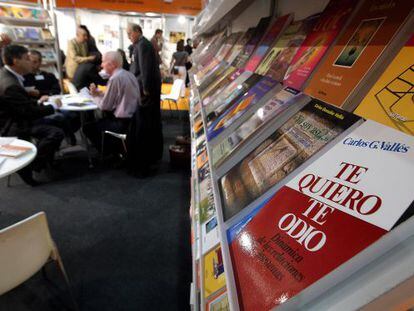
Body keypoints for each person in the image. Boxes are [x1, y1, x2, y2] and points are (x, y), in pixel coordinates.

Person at [0, 45, 64, 185]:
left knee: (60, 122)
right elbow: (27, 113)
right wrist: (52, 106)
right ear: (16, 61)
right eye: (27, 58)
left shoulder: (7, 75)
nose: (31, 62)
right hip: (15, 126)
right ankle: (35, 164)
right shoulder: (10, 83)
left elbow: (21, 104)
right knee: (56, 132)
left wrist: (38, 101)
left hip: (17, 119)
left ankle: (45, 160)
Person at [83, 51, 139, 154]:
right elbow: (118, 97)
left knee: (87, 128)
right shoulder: (128, 75)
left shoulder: (115, 78)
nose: (101, 65)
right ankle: (113, 150)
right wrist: (99, 94)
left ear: (112, 64)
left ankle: (108, 153)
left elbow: (105, 106)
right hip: (134, 120)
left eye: (103, 62)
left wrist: (94, 96)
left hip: (121, 122)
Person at [127, 23, 163, 174]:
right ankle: (151, 157)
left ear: (137, 31)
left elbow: (145, 69)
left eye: (130, 33)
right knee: (150, 123)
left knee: (146, 124)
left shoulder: (143, 45)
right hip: (145, 89)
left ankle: (148, 158)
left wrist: (145, 89)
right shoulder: (142, 44)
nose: (129, 36)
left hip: (146, 91)